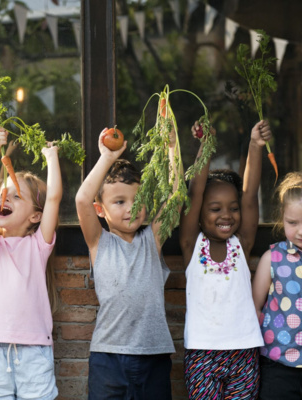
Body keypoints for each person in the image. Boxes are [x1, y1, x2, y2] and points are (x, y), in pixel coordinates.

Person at [75, 126, 181, 400]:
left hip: (153, 355)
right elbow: (82, 199)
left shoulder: (151, 240)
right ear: (101, 210)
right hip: (108, 358)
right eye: (120, 201)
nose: (131, 208)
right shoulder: (99, 242)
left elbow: (176, 198)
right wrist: (107, 158)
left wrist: (172, 149)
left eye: (138, 200)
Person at [179, 120, 272, 399]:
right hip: (201, 354)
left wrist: (255, 146)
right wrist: (205, 146)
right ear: (201, 213)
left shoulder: (240, 245)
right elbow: (195, 193)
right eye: (215, 208)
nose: (226, 215)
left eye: (232, 208)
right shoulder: (191, 246)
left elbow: (250, 198)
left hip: (244, 352)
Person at [0, 128, 61, 400]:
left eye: (15, 196)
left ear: (36, 216)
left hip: (34, 349)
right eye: (4, 194)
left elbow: (55, 199)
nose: (5, 199)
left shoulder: (38, 246)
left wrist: (52, 158)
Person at [252, 172, 302, 400]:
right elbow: (255, 306)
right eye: (292, 223)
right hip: (278, 361)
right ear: (281, 218)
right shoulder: (272, 258)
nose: (300, 231)